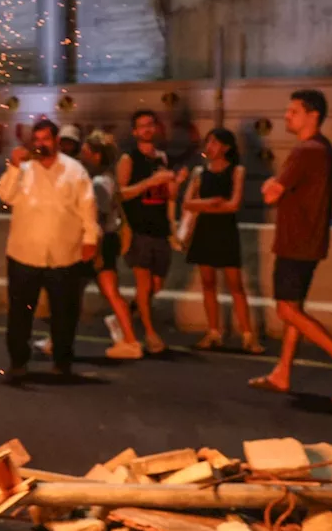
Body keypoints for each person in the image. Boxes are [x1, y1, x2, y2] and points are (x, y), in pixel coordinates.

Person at [250, 90, 332, 396]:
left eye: (293, 111)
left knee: (288, 311)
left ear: (312, 115)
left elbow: (272, 193)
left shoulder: (306, 151)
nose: (287, 116)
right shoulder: (323, 148)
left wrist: (271, 186)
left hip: (295, 241)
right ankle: (282, 373)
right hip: (310, 241)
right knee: (294, 308)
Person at [0, 118, 98, 380]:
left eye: (46, 139)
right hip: (24, 254)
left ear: (56, 141)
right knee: (20, 313)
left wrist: (90, 240)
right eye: (37, 140)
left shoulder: (75, 171)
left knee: (65, 313)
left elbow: (88, 209)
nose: (41, 144)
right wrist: (14, 168)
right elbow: (5, 196)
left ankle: (62, 363)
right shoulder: (24, 169)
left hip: (64, 255)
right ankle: (18, 363)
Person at [183, 128, 263, 353]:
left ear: (226, 147)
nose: (209, 146)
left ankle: (248, 335)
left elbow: (233, 205)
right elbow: (187, 203)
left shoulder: (236, 171)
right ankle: (213, 332)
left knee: (236, 285)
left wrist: (207, 205)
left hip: (226, 231)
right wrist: (214, 202)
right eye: (208, 142)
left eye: (215, 142)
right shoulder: (200, 172)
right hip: (204, 231)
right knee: (208, 284)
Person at [117, 109, 188, 354]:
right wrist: (149, 182)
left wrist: (175, 185)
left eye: (150, 124)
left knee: (156, 285)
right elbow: (121, 193)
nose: (147, 129)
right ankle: (150, 333)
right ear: (135, 131)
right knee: (144, 284)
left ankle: (122, 314)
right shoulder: (129, 159)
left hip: (160, 229)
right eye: (142, 126)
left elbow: (167, 197)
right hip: (139, 228)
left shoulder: (162, 158)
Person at [80, 131, 144, 359]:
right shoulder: (109, 179)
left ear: (96, 155)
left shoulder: (98, 183)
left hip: (97, 241)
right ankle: (130, 340)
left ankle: (130, 340)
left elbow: (96, 216)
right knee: (109, 291)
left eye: (86, 151)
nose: (82, 155)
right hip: (107, 240)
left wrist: (91, 247)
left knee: (72, 290)